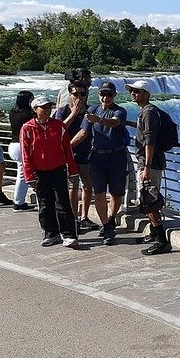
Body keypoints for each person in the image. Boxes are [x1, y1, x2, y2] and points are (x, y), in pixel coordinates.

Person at [71, 81, 127, 245]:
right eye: (103, 94)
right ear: (98, 95)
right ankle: (107, 227)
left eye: (109, 94)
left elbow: (115, 122)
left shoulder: (120, 111)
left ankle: (111, 219)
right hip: (97, 157)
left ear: (114, 96)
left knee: (117, 194)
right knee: (100, 193)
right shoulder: (92, 110)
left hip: (117, 157)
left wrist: (99, 120)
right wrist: (66, 146)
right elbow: (83, 132)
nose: (105, 97)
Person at [21, 96, 80, 248]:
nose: (47, 110)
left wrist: (73, 171)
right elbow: (25, 154)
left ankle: (69, 234)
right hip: (40, 172)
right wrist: (29, 176)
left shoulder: (59, 126)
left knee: (63, 202)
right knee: (45, 203)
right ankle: (50, 233)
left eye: (48, 107)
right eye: (43, 107)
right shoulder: (27, 128)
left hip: (58, 169)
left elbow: (67, 150)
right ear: (35, 110)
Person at [126, 80, 171, 256]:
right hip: (148, 162)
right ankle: (154, 234)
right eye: (132, 91)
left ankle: (162, 241)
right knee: (149, 199)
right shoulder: (146, 111)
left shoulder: (149, 113)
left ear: (146, 94)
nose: (133, 94)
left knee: (149, 201)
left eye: (136, 91)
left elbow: (150, 141)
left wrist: (147, 167)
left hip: (149, 163)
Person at [56, 80, 97, 231]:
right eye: (75, 93)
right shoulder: (63, 111)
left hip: (87, 153)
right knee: (73, 187)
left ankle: (84, 217)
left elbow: (85, 132)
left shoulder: (91, 110)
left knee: (87, 185)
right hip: (69, 156)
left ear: (87, 95)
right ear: (70, 95)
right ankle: (74, 219)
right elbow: (58, 129)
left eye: (82, 93)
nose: (78, 97)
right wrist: (73, 114)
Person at [7, 90, 35, 211]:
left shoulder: (12, 112)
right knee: (23, 175)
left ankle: (19, 201)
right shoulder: (29, 114)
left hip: (13, 145)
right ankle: (18, 203)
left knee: (22, 173)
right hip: (22, 146)